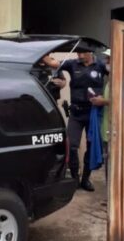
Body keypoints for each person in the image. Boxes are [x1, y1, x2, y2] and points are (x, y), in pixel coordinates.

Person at [43, 48, 108, 191]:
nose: (79, 55)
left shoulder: (101, 66)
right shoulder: (72, 64)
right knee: (72, 146)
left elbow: (118, 77)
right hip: (76, 113)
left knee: (91, 147)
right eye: (78, 52)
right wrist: (42, 54)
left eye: (82, 52)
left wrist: (106, 99)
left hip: (93, 113)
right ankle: (74, 178)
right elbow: (54, 64)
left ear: (91, 52)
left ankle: (86, 179)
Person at [90, 48, 111, 180]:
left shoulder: (123, 80)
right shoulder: (110, 79)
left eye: (109, 59)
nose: (106, 61)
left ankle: (114, 197)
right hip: (107, 128)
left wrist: (103, 101)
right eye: (106, 58)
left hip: (115, 131)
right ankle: (109, 196)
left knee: (114, 164)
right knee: (108, 163)